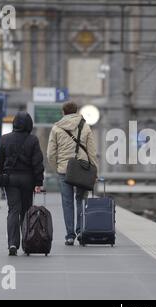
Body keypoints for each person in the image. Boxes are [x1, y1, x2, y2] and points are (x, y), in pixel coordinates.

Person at [47, 101, 98, 246]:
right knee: (81, 200)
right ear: (76, 111)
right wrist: (95, 171)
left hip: (64, 170)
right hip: (82, 168)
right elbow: (92, 152)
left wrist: (56, 167)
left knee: (67, 202)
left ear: (63, 112)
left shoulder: (56, 128)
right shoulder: (85, 127)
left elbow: (50, 153)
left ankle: (70, 235)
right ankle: (81, 231)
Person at [0, 111, 44, 256]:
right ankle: (27, 242)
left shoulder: (5, 139)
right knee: (26, 211)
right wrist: (38, 182)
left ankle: (12, 244)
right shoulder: (33, 140)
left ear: (14, 123)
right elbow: (38, 163)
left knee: (13, 210)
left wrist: (0, 173)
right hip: (27, 180)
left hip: (10, 179)